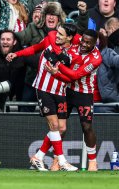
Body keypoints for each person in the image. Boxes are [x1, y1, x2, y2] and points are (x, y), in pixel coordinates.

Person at [6, 24, 79, 171]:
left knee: (62, 128)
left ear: (69, 38)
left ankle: (38, 156)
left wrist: (56, 72)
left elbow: (70, 78)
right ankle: (63, 162)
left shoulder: (73, 53)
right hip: (43, 88)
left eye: (61, 34)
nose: (57, 36)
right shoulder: (50, 39)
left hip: (60, 92)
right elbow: (34, 49)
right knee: (54, 126)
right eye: (57, 32)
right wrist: (17, 54)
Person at [44, 29, 102, 171]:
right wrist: (56, 70)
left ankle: (93, 162)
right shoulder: (74, 47)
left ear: (95, 43)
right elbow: (54, 34)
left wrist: (58, 67)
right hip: (67, 91)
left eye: (88, 43)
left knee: (86, 127)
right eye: (83, 40)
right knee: (59, 128)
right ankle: (57, 160)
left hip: (84, 94)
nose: (84, 44)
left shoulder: (96, 58)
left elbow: (75, 75)